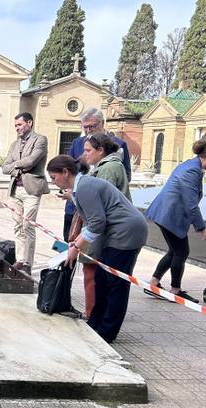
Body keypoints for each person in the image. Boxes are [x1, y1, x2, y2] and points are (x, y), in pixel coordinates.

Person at [48, 155, 148, 343]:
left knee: (116, 283)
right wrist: (76, 241)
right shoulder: (80, 187)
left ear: (65, 172)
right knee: (101, 278)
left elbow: (97, 223)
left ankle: (107, 332)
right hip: (114, 234)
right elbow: (91, 221)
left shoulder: (84, 187)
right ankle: (95, 323)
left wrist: (76, 248)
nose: (54, 183)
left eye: (54, 178)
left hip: (126, 233)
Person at [145, 140, 206, 303]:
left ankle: (154, 284)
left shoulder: (191, 166)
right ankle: (175, 291)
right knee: (181, 252)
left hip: (166, 213)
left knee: (174, 251)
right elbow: (190, 203)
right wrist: (201, 228)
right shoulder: (192, 170)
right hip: (169, 215)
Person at [74, 133, 131, 318]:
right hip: (109, 229)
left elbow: (98, 204)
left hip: (110, 231)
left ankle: (92, 313)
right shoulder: (106, 166)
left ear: (101, 150)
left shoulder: (108, 168)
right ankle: (96, 313)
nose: (85, 154)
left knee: (94, 271)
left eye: (88, 150)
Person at [63, 107, 130, 241]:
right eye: (85, 127)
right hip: (75, 204)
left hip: (102, 211)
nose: (88, 130)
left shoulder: (118, 144)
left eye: (92, 126)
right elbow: (68, 169)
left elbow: (126, 174)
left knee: (93, 251)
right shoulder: (77, 143)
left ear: (102, 123)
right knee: (68, 246)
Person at [0, 112, 48, 275]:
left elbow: (32, 161)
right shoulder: (14, 144)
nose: (17, 128)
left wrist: (16, 165)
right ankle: (20, 260)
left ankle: (28, 262)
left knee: (28, 226)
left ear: (30, 123)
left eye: (19, 125)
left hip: (32, 190)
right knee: (18, 226)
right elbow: (5, 167)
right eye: (15, 126)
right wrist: (20, 167)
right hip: (15, 190)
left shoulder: (40, 140)